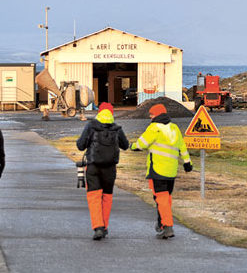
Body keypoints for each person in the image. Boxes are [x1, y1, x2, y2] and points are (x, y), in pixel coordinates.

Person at [130, 103, 193, 239]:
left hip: (157, 169)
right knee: (166, 198)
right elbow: (182, 146)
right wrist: (187, 163)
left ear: (156, 115)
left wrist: (133, 146)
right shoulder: (174, 128)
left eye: (151, 115)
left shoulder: (154, 128)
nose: (150, 117)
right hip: (171, 171)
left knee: (161, 198)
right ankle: (162, 223)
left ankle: (168, 226)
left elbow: (142, 144)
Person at [77, 102, 129, 240]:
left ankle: (98, 227)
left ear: (99, 112)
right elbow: (125, 145)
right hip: (110, 168)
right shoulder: (117, 128)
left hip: (93, 167)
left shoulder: (91, 126)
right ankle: (104, 226)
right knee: (107, 197)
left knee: (94, 198)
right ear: (111, 113)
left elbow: (80, 145)